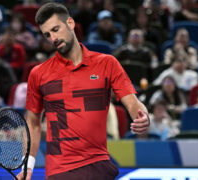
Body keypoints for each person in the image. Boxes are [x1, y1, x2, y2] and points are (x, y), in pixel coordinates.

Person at [17, 3, 150, 179]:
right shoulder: (38, 74)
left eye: (56, 29)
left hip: (98, 166)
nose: (53, 38)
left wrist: (142, 116)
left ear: (70, 23)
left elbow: (132, 102)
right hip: (59, 171)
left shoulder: (107, 63)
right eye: (47, 35)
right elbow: (32, 123)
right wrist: (28, 166)